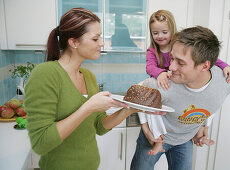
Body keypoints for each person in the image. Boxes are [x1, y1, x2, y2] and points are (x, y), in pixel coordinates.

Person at [24, 8, 164, 170]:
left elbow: (99, 126)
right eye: (95, 39)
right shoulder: (46, 74)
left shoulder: (88, 76)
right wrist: (88, 107)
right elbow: (40, 143)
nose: (102, 43)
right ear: (74, 42)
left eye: (101, 38)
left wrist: (130, 109)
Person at [130, 26, 230, 170]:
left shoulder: (226, 82)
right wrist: (146, 129)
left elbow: (213, 100)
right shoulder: (164, 85)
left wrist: (204, 124)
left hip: (185, 140)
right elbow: (137, 94)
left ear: (204, 66)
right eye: (171, 58)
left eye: (180, 62)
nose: (171, 67)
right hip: (156, 137)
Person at [146, 10, 230, 90]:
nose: (160, 36)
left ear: (172, 30)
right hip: (165, 85)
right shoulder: (152, 51)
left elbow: (204, 56)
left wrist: (225, 66)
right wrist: (160, 73)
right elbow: (150, 67)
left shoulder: (179, 46)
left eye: (164, 32)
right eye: (155, 33)